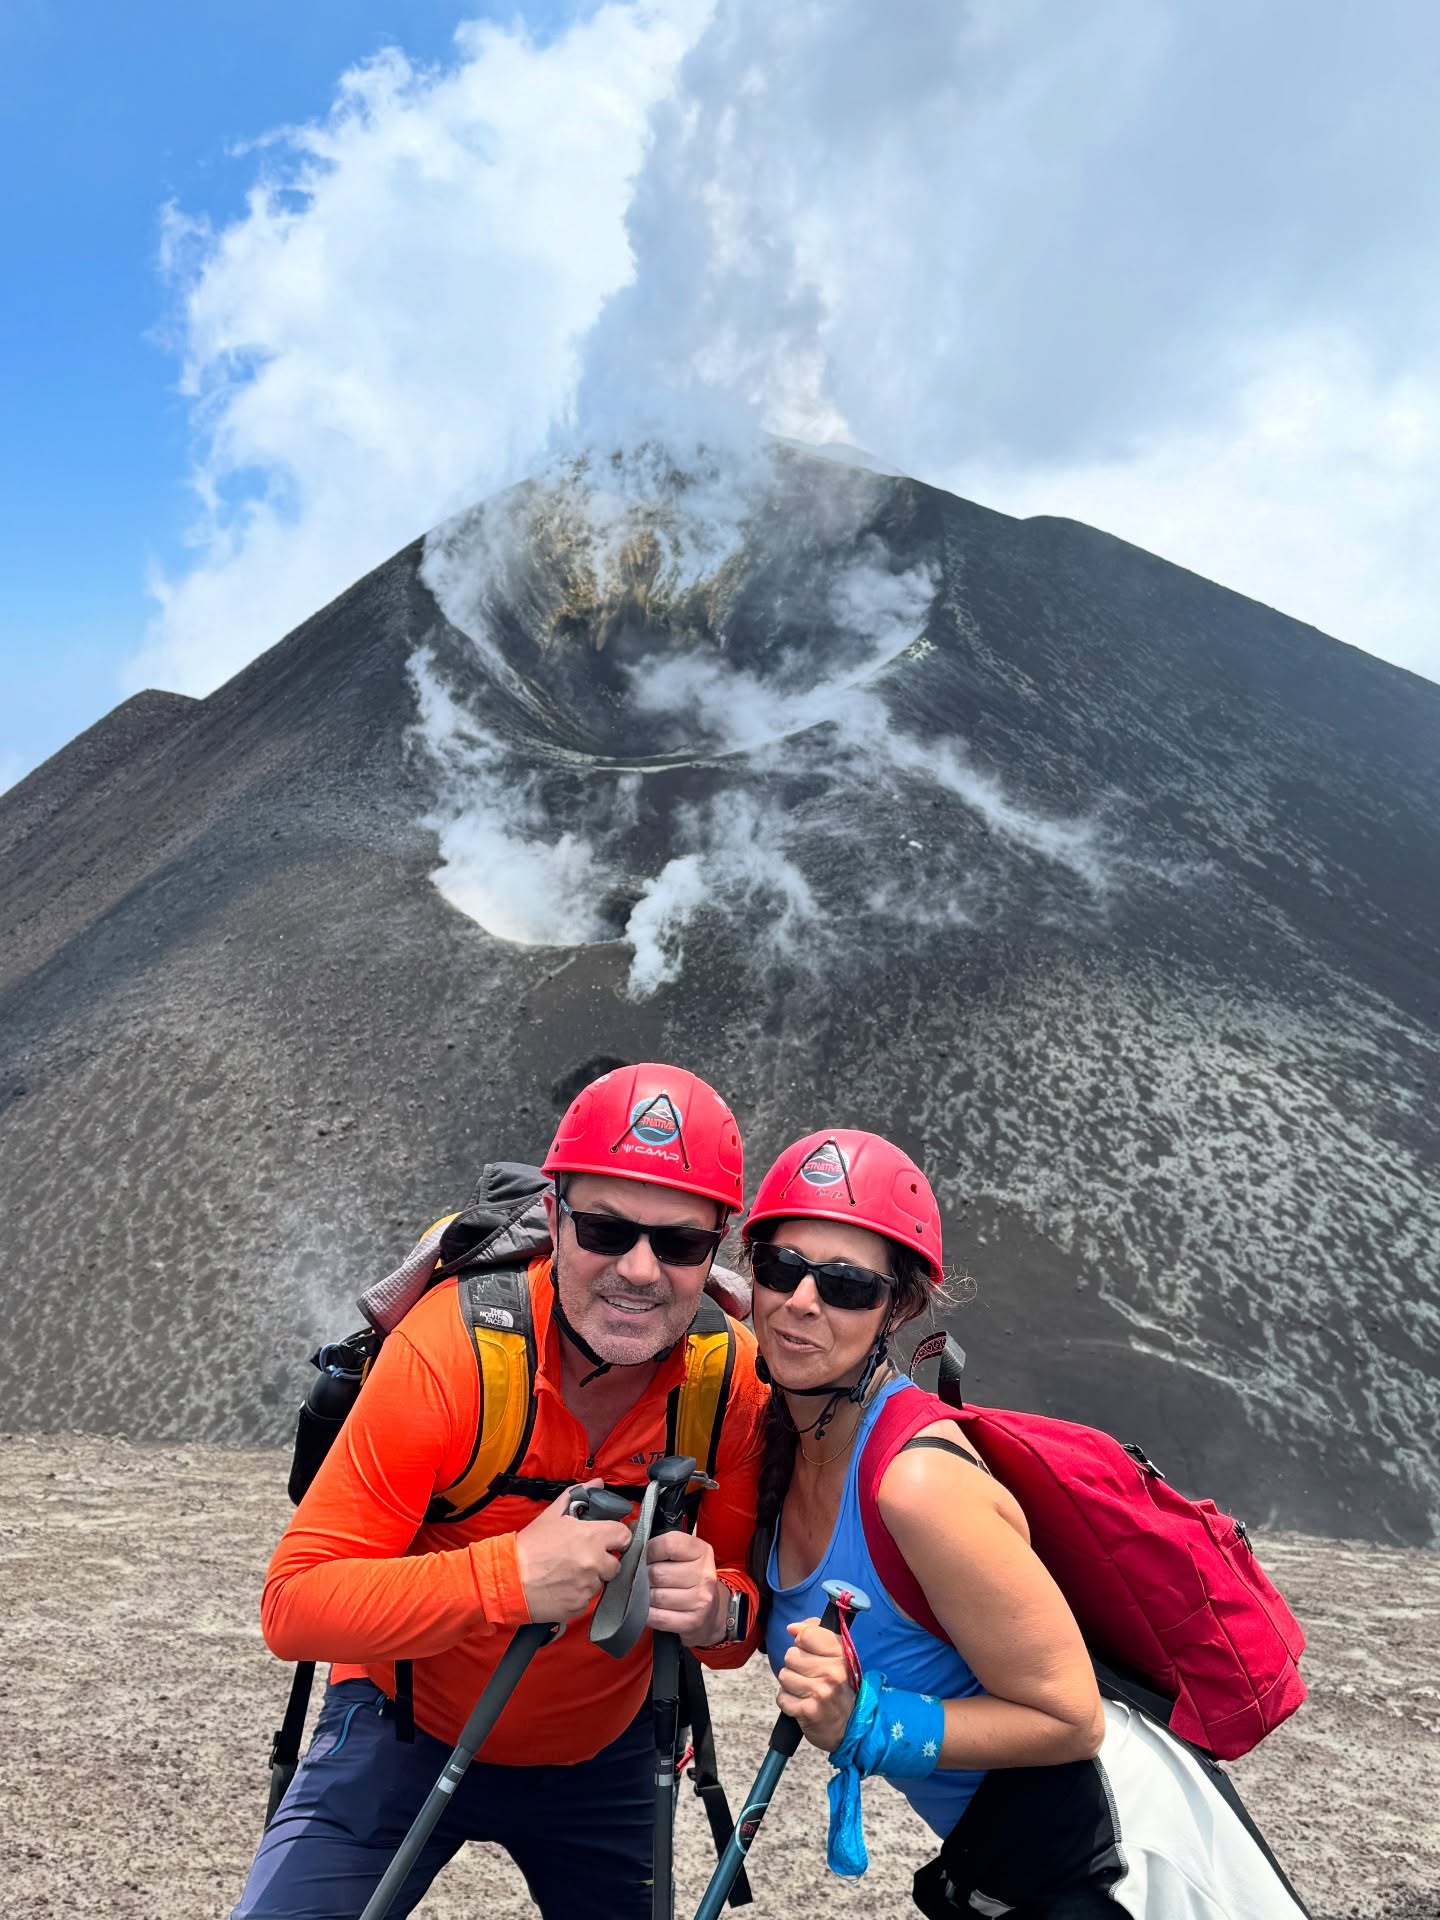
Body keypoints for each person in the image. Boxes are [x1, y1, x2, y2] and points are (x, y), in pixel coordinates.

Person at [232, 1063, 766, 1920]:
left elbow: (734, 1632)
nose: (640, 1269)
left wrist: (715, 1610)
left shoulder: (730, 1379)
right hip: (401, 1730)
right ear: (554, 1219)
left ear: (717, 1249)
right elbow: (294, 1604)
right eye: (603, 1228)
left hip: (606, 1757)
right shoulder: (454, 1353)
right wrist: (508, 1578)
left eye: (680, 1244)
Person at [747, 1127, 1311, 1920]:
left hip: (1117, 1852)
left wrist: (869, 1722)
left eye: (847, 1286)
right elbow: (768, 1322)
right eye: (781, 1269)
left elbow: (1070, 1717)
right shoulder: (786, 1425)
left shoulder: (916, 1485)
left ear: (899, 1307)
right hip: (1014, 1843)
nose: (803, 1301)